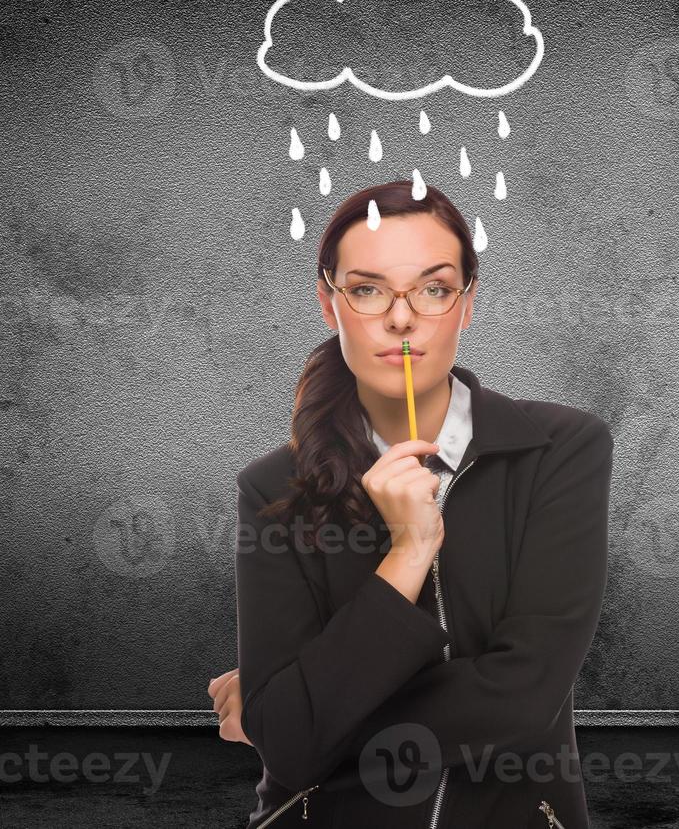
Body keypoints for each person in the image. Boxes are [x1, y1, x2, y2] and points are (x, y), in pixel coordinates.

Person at [207, 181, 614, 828]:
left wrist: (297, 717)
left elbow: (524, 696)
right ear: (328, 302)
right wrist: (409, 551)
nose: (401, 318)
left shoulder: (560, 450)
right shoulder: (272, 489)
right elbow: (287, 743)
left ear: (467, 303)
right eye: (367, 289)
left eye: (433, 287)